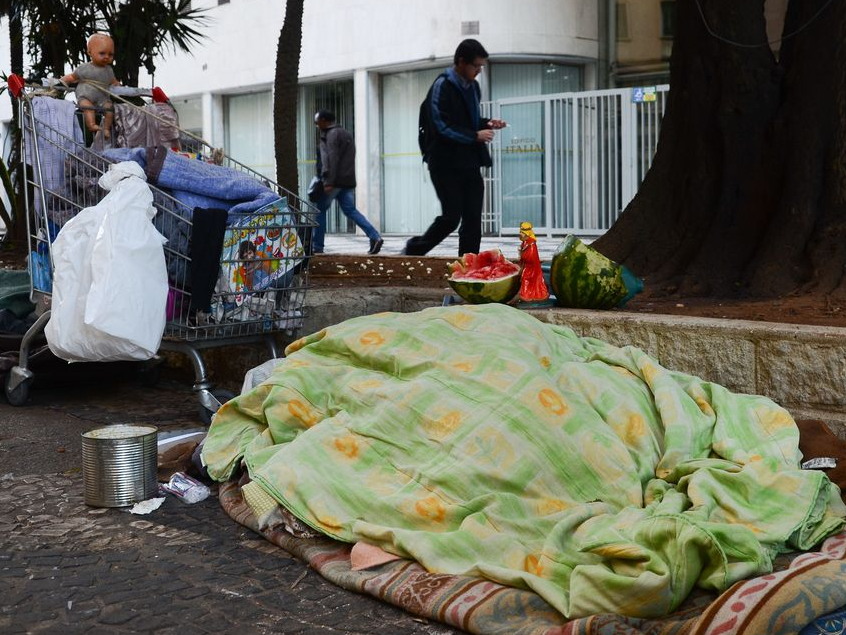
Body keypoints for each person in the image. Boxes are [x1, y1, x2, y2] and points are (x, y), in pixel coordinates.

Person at [405, 39, 507, 257]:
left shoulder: (474, 87)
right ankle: (413, 251)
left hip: (469, 162)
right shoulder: (442, 85)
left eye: (481, 66)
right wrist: (474, 135)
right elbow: (441, 126)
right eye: (476, 66)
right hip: (444, 164)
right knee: (451, 217)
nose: (479, 71)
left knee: (472, 219)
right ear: (461, 62)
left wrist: (487, 123)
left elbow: (467, 121)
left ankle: (469, 266)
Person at [312, 110, 383, 255]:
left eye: (317, 122)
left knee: (319, 211)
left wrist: (328, 181)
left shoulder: (330, 135)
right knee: (350, 210)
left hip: (334, 182)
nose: (317, 125)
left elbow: (331, 159)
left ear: (324, 120)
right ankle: (374, 236)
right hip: (347, 182)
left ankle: (317, 246)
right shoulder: (346, 133)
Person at [61, 33, 120, 139]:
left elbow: (113, 81)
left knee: (109, 109)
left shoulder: (109, 70)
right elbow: (72, 77)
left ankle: (106, 128)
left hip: (102, 97)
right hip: (85, 96)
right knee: (89, 108)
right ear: (90, 52)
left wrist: (117, 84)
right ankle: (92, 125)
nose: (106, 57)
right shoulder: (84, 68)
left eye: (110, 54)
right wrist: (61, 81)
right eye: (102, 53)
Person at [518, 221, 548, 302]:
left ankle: (526, 296)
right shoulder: (525, 242)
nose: (520, 234)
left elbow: (530, 257)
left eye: (522, 233)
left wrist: (522, 254)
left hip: (531, 268)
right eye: (520, 232)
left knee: (526, 279)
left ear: (527, 234)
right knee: (525, 279)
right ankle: (525, 295)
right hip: (527, 266)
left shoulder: (531, 244)